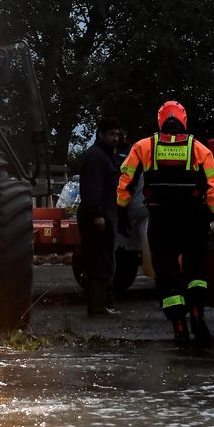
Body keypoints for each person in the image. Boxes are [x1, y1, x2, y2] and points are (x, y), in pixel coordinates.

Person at [117, 100, 214, 346]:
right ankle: (197, 313)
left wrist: (121, 211)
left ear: (160, 120)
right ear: (184, 120)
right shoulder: (199, 149)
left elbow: (126, 181)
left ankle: (178, 325)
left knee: (166, 273)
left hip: (161, 219)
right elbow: (213, 187)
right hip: (193, 219)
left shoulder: (144, 147)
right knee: (196, 271)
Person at [77, 117, 123, 316]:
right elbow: (92, 189)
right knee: (99, 261)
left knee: (103, 260)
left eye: (118, 134)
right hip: (97, 218)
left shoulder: (105, 155)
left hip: (104, 215)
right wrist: (98, 215)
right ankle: (97, 306)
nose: (116, 138)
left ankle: (103, 303)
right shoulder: (97, 157)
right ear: (100, 134)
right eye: (112, 134)